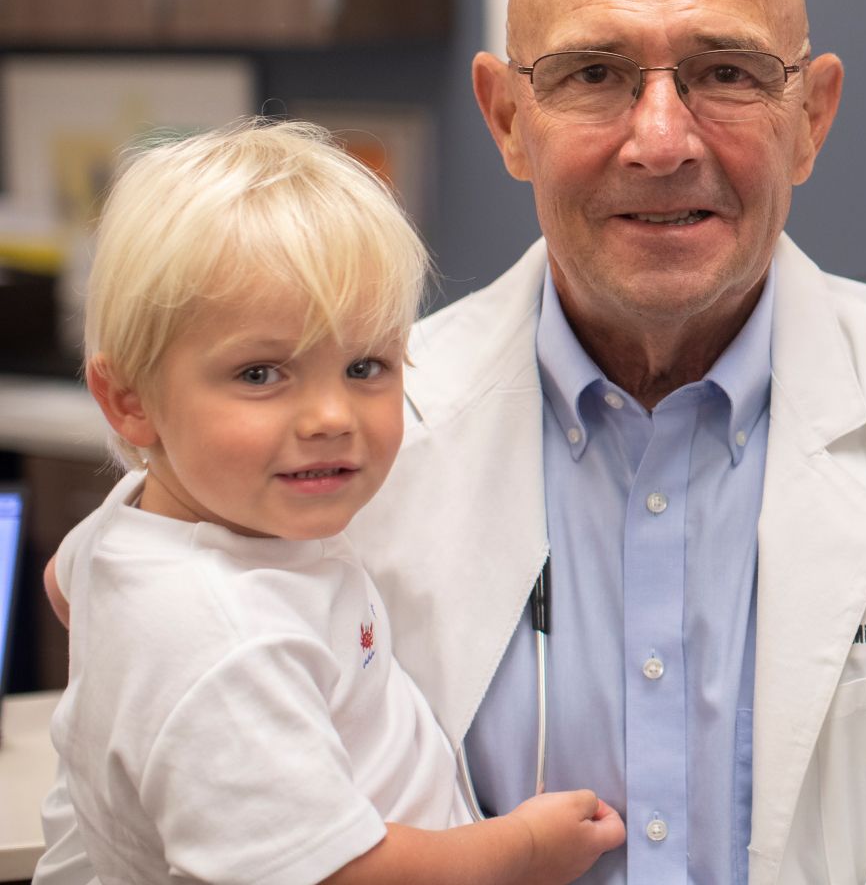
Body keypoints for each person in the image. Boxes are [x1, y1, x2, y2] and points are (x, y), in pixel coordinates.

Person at [37, 0, 866, 885]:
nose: (661, 140)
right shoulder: (349, 438)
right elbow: (124, 812)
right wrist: (112, 563)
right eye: (594, 74)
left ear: (811, 119)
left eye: (726, 73)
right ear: (508, 117)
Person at [49, 119, 623, 884]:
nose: (331, 417)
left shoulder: (143, 522)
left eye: (365, 367)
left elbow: (65, 581)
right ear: (129, 402)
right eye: (261, 374)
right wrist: (523, 851)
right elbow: (342, 876)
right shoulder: (227, 647)